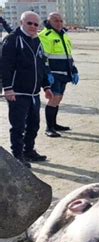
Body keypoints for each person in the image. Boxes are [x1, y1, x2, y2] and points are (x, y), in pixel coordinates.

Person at [0, 11, 53, 168]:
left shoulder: (37, 41)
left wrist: (46, 86)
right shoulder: (12, 40)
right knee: (18, 126)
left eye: (36, 24)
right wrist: (7, 88)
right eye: (29, 23)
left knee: (34, 124)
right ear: (21, 23)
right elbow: (4, 66)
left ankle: (28, 151)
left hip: (34, 93)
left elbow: (41, 66)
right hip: (17, 92)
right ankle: (18, 156)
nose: (33, 26)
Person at [39, 12, 79, 138]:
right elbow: (43, 58)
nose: (59, 23)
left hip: (64, 73)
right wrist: (47, 74)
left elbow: (68, 55)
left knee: (59, 98)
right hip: (54, 74)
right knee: (53, 98)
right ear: (49, 21)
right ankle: (49, 128)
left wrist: (74, 70)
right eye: (56, 20)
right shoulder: (45, 35)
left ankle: (54, 124)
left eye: (61, 20)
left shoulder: (64, 35)